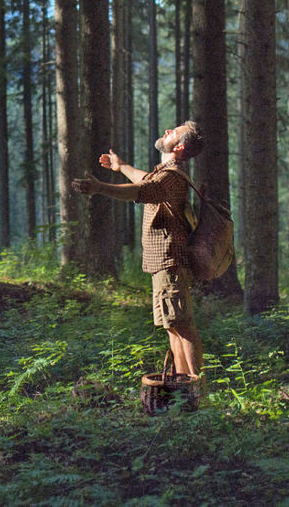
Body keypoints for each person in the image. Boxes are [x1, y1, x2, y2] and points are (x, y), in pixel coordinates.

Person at [70, 121, 204, 378]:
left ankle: (197, 386)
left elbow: (141, 190)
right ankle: (182, 384)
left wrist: (100, 188)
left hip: (170, 262)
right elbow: (144, 180)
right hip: (163, 264)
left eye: (174, 132)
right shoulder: (166, 174)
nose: (168, 130)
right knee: (172, 325)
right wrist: (120, 166)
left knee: (183, 326)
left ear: (179, 147)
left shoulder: (172, 176)